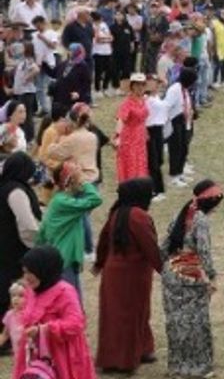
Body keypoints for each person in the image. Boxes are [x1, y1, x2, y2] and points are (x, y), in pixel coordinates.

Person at [92, 177, 162, 373]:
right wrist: (165, 269)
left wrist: (99, 263)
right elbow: (150, 246)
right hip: (134, 274)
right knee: (134, 314)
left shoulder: (117, 213)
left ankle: (136, 351)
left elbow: (103, 241)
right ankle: (124, 361)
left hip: (113, 273)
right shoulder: (139, 216)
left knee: (114, 316)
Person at [161, 179, 224, 378]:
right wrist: (212, 277)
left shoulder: (181, 213)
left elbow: (165, 245)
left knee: (175, 321)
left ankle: (177, 366)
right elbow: (204, 252)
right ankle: (198, 366)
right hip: (190, 276)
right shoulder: (201, 220)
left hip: (171, 272)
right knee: (196, 322)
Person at [10, 246, 95, 379]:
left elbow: (76, 324)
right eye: (24, 272)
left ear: (45, 270)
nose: (26, 277)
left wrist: (44, 329)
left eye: (31, 272)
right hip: (34, 354)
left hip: (61, 355)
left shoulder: (65, 292)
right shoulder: (32, 290)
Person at [35, 160, 102, 296]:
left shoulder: (61, 199)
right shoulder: (63, 202)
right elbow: (95, 199)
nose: (82, 178)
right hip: (63, 260)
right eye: (78, 175)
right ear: (71, 181)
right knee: (70, 306)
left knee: (74, 305)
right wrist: (83, 182)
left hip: (65, 259)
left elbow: (42, 233)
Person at [0, 152, 40, 348]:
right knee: (11, 293)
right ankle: (6, 337)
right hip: (13, 249)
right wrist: (37, 244)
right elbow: (27, 225)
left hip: (3, 245)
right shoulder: (16, 192)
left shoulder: (3, 186)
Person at [112, 72, 150, 182]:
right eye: (137, 85)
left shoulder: (142, 100)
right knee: (131, 163)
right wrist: (118, 136)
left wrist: (145, 131)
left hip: (140, 137)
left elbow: (143, 119)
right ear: (132, 86)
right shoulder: (127, 103)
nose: (140, 87)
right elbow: (121, 120)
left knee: (140, 163)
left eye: (143, 84)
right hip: (129, 138)